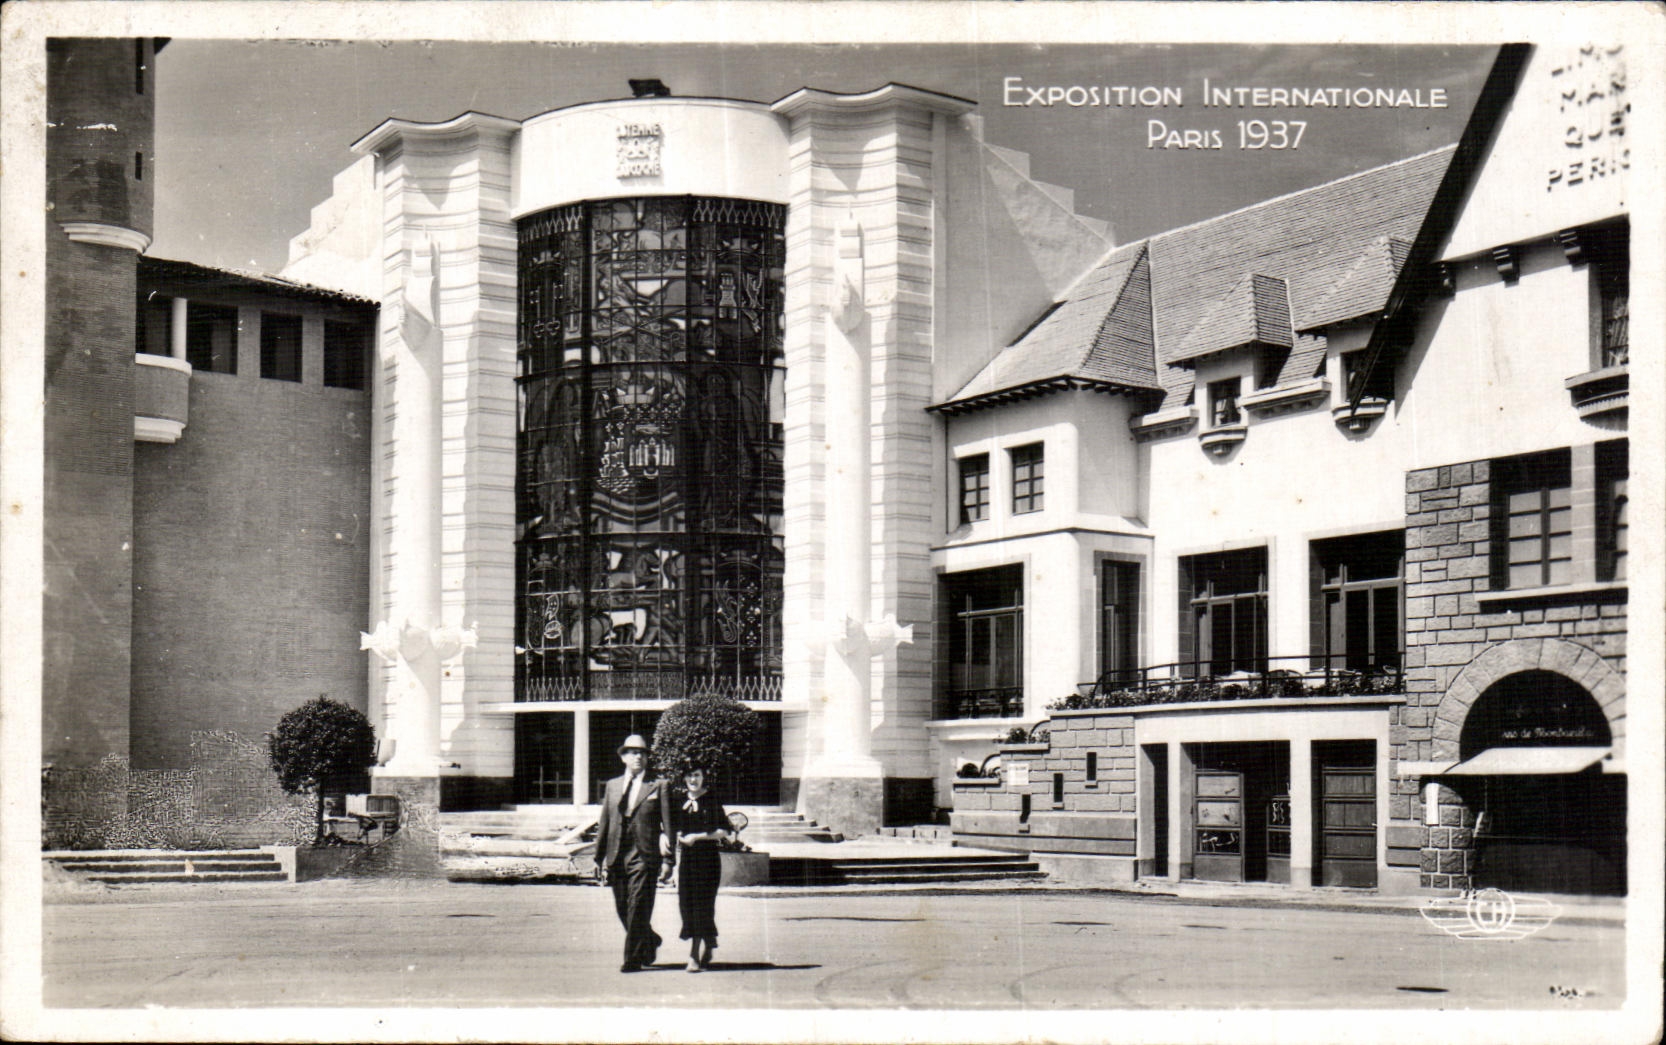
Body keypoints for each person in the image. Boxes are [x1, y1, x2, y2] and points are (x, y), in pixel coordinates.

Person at [593, 734, 674, 973]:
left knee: (637, 905)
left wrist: (669, 861)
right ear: (623, 757)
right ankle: (649, 939)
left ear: (647, 757)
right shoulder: (613, 785)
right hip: (617, 852)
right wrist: (597, 858)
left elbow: (668, 825)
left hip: (644, 853)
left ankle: (632, 959)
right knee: (622, 906)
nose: (637, 757)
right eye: (632, 752)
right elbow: (605, 822)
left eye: (642, 753)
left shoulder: (659, 785)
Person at [667, 765, 731, 972]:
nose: (693, 779)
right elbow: (671, 827)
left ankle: (694, 955)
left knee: (701, 906)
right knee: (686, 905)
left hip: (708, 861)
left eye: (697, 775)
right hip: (687, 860)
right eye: (689, 775)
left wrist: (698, 837)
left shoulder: (711, 800)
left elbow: (724, 830)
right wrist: (676, 836)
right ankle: (710, 939)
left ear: (704, 777)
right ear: (683, 778)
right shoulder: (678, 801)